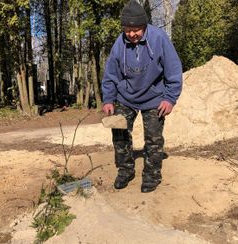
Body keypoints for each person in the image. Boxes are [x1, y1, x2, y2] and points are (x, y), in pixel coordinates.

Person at [101, 0, 183, 193]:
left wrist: (170, 98)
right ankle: (125, 171)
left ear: (144, 25)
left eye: (136, 30)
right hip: (125, 96)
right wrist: (108, 99)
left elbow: (173, 70)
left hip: (154, 97)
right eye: (128, 30)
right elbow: (111, 74)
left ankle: (152, 176)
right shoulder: (119, 43)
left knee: (153, 139)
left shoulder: (159, 38)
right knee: (119, 132)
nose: (131, 34)